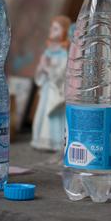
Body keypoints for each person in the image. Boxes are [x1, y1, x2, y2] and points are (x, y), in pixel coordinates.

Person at [31, 16, 71, 151]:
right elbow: (40, 75)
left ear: (64, 31)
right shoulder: (48, 51)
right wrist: (42, 68)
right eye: (51, 28)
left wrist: (47, 68)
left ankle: (54, 141)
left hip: (55, 89)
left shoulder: (63, 53)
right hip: (47, 88)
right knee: (43, 112)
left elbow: (61, 74)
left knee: (53, 113)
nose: (51, 30)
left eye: (56, 29)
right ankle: (41, 140)